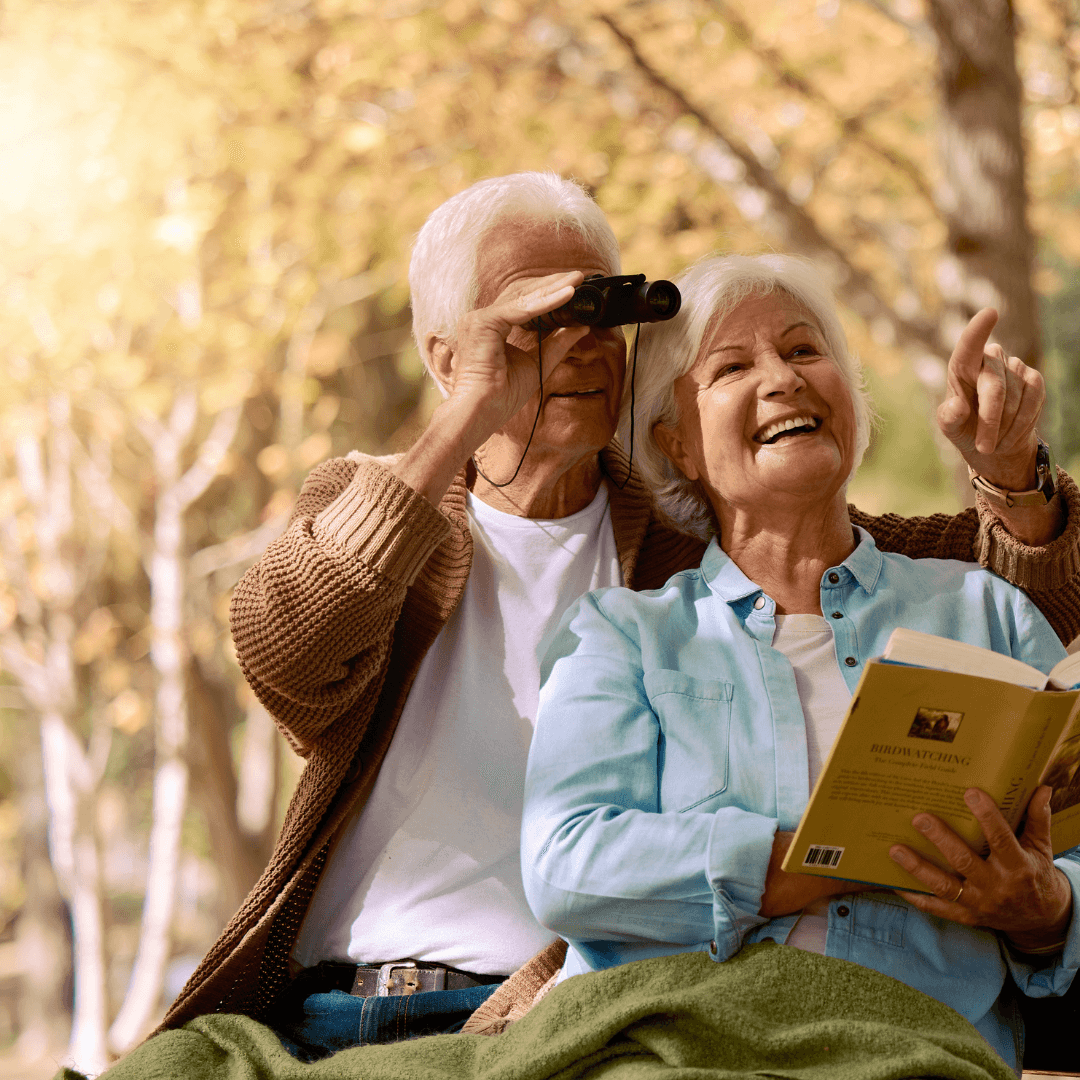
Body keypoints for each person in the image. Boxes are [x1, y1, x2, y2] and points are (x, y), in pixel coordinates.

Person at [163, 174, 1080, 1055]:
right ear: (447, 355)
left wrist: (1012, 476)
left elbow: (935, 582)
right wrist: (471, 408)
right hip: (343, 999)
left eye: (605, 310)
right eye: (537, 319)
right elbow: (287, 653)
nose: (582, 343)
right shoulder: (381, 512)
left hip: (556, 1014)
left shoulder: (686, 539)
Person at [520, 253, 1080, 1074]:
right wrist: (817, 859)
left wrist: (1046, 908)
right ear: (678, 445)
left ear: (852, 399)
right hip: (676, 1045)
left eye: (805, 350)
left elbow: (1073, 841)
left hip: (920, 1048)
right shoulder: (624, 634)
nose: (782, 379)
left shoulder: (981, 610)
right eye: (733, 367)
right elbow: (567, 866)